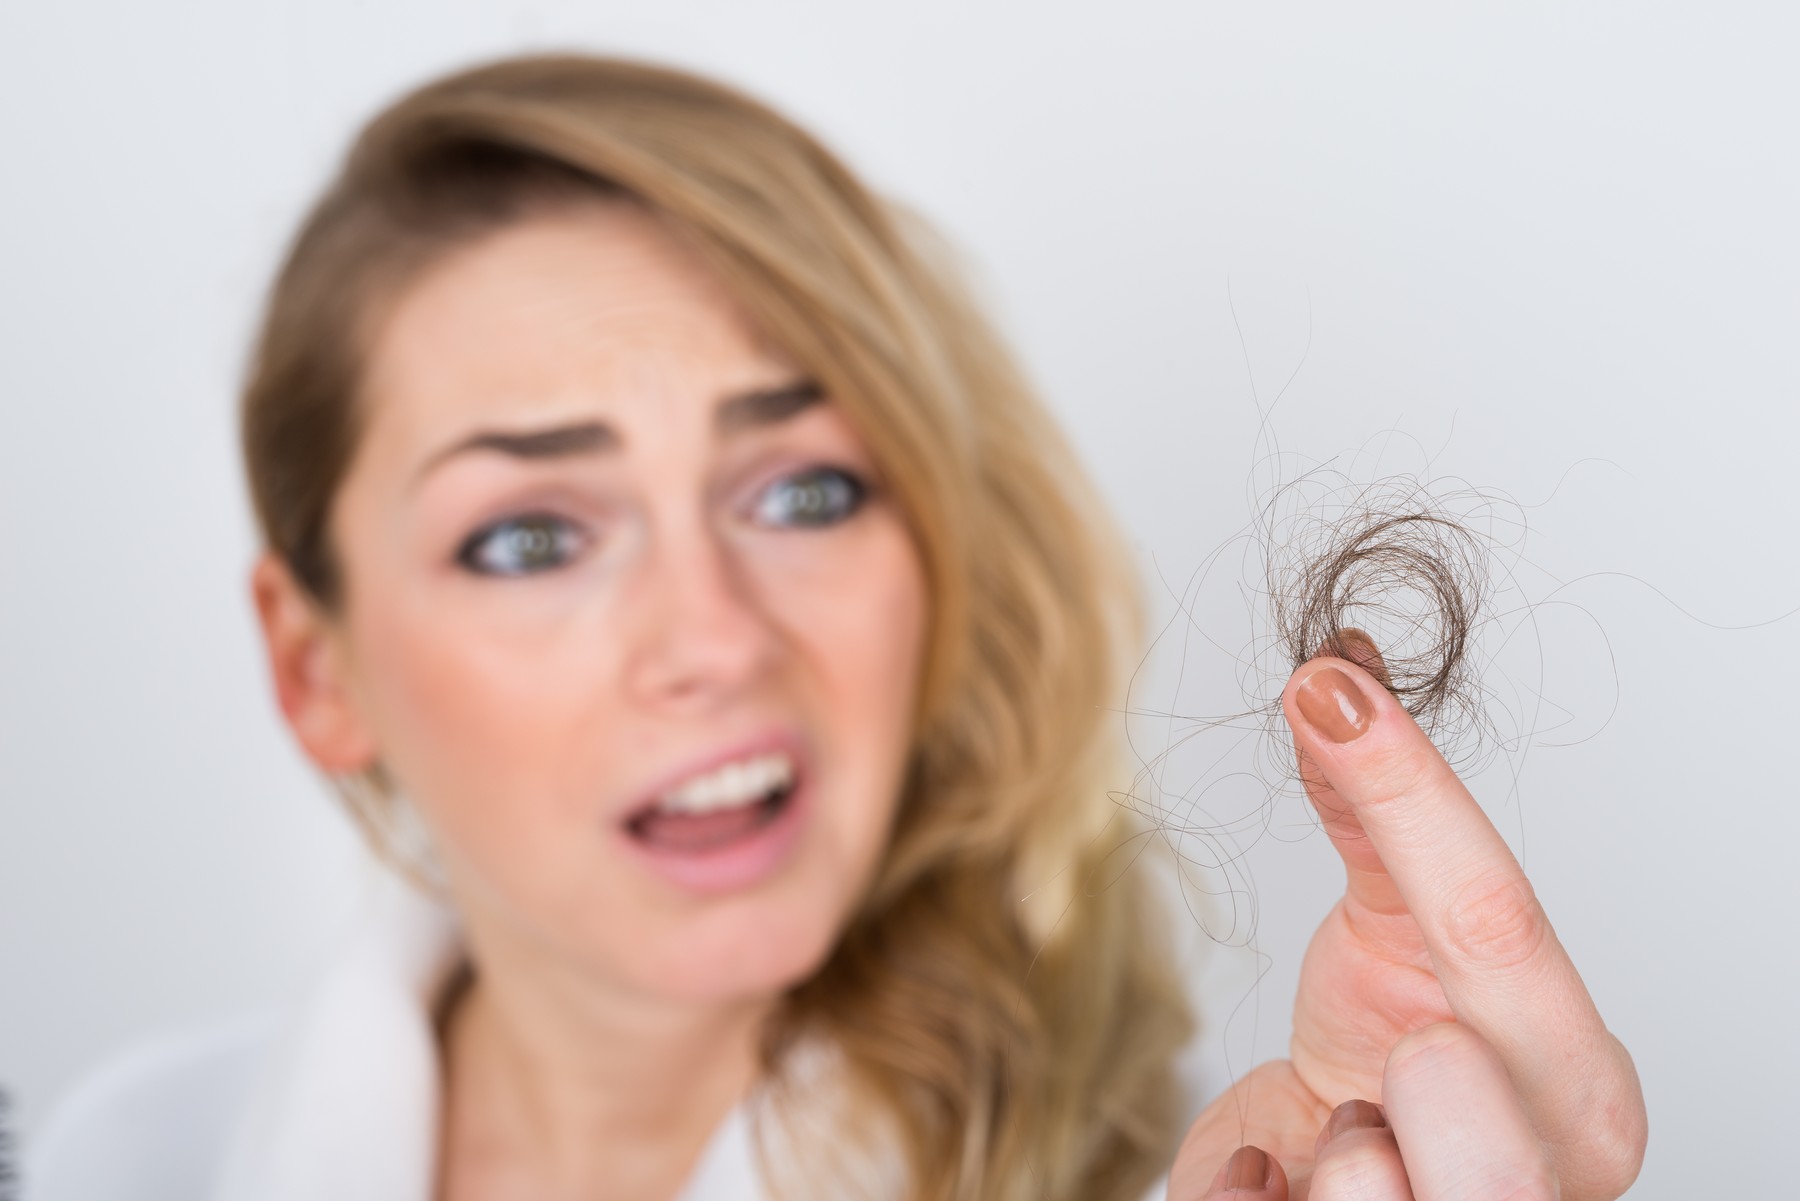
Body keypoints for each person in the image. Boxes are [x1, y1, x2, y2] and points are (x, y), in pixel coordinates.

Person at [25, 53, 1645, 1201]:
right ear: (320, 672)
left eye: (802, 493)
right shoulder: (112, 1157)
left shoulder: (1199, 1180)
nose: (714, 637)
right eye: (532, 535)